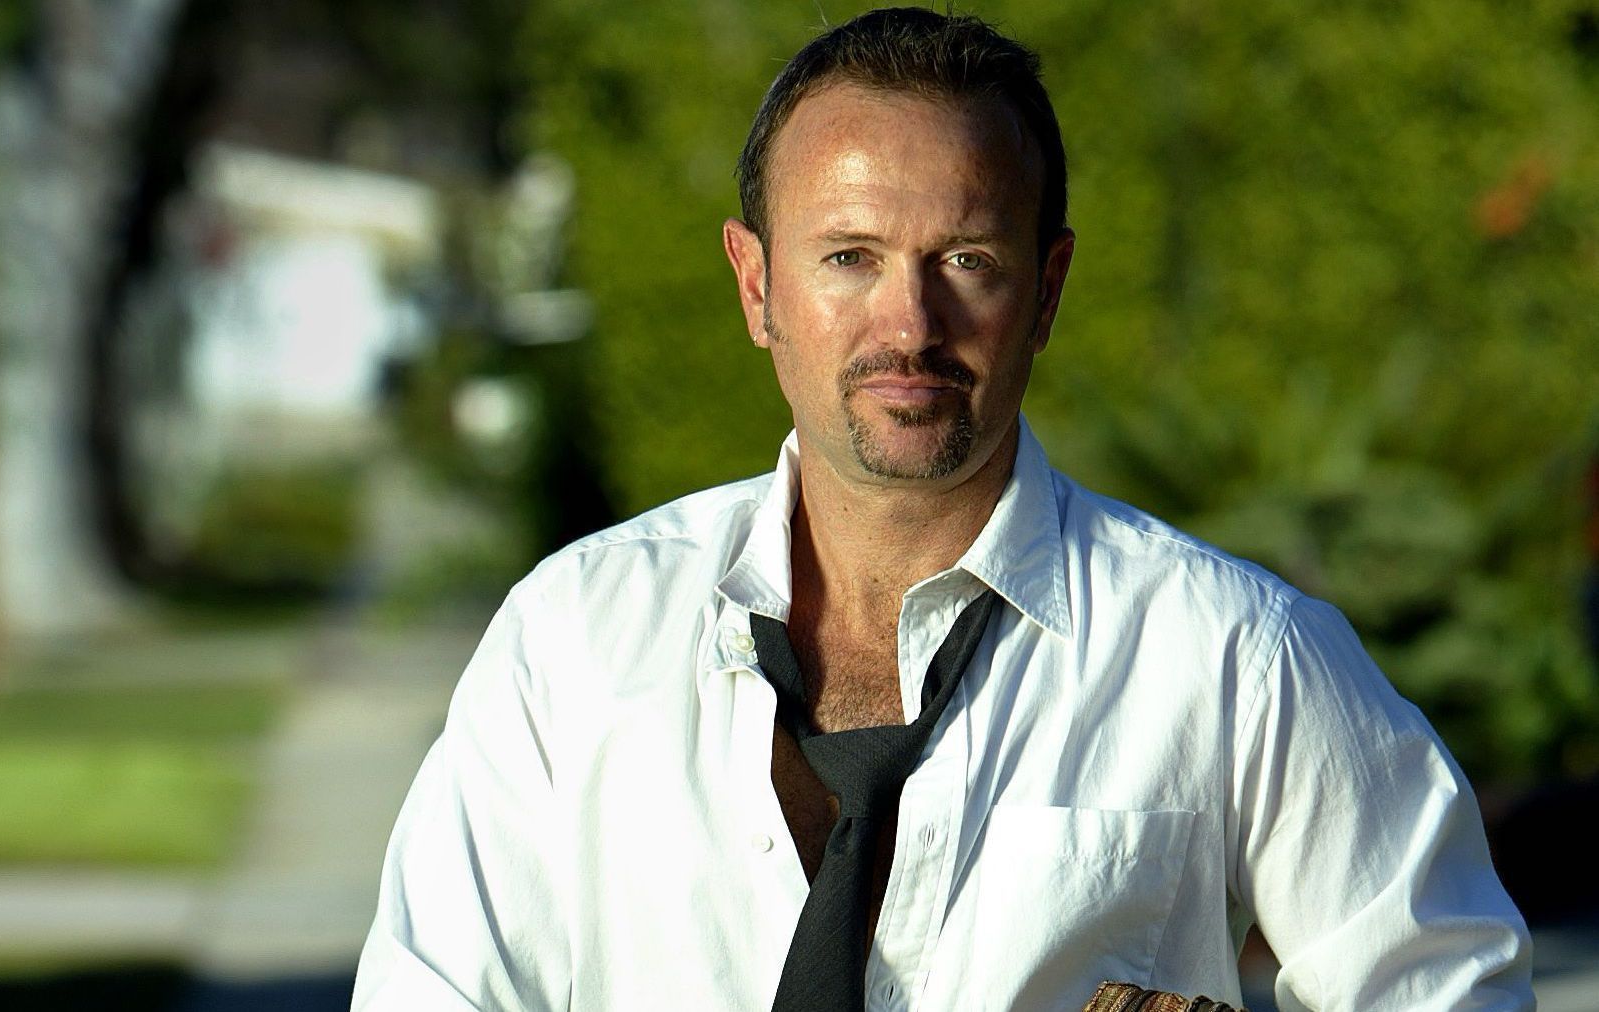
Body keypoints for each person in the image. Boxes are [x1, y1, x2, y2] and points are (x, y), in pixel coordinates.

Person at [351, 8, 1533, 1010]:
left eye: (965, 258)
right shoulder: (572, 639)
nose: (907, 326)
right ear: (757, 285)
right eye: (849, 256)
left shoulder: (1236, 659)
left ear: (1047, 285)